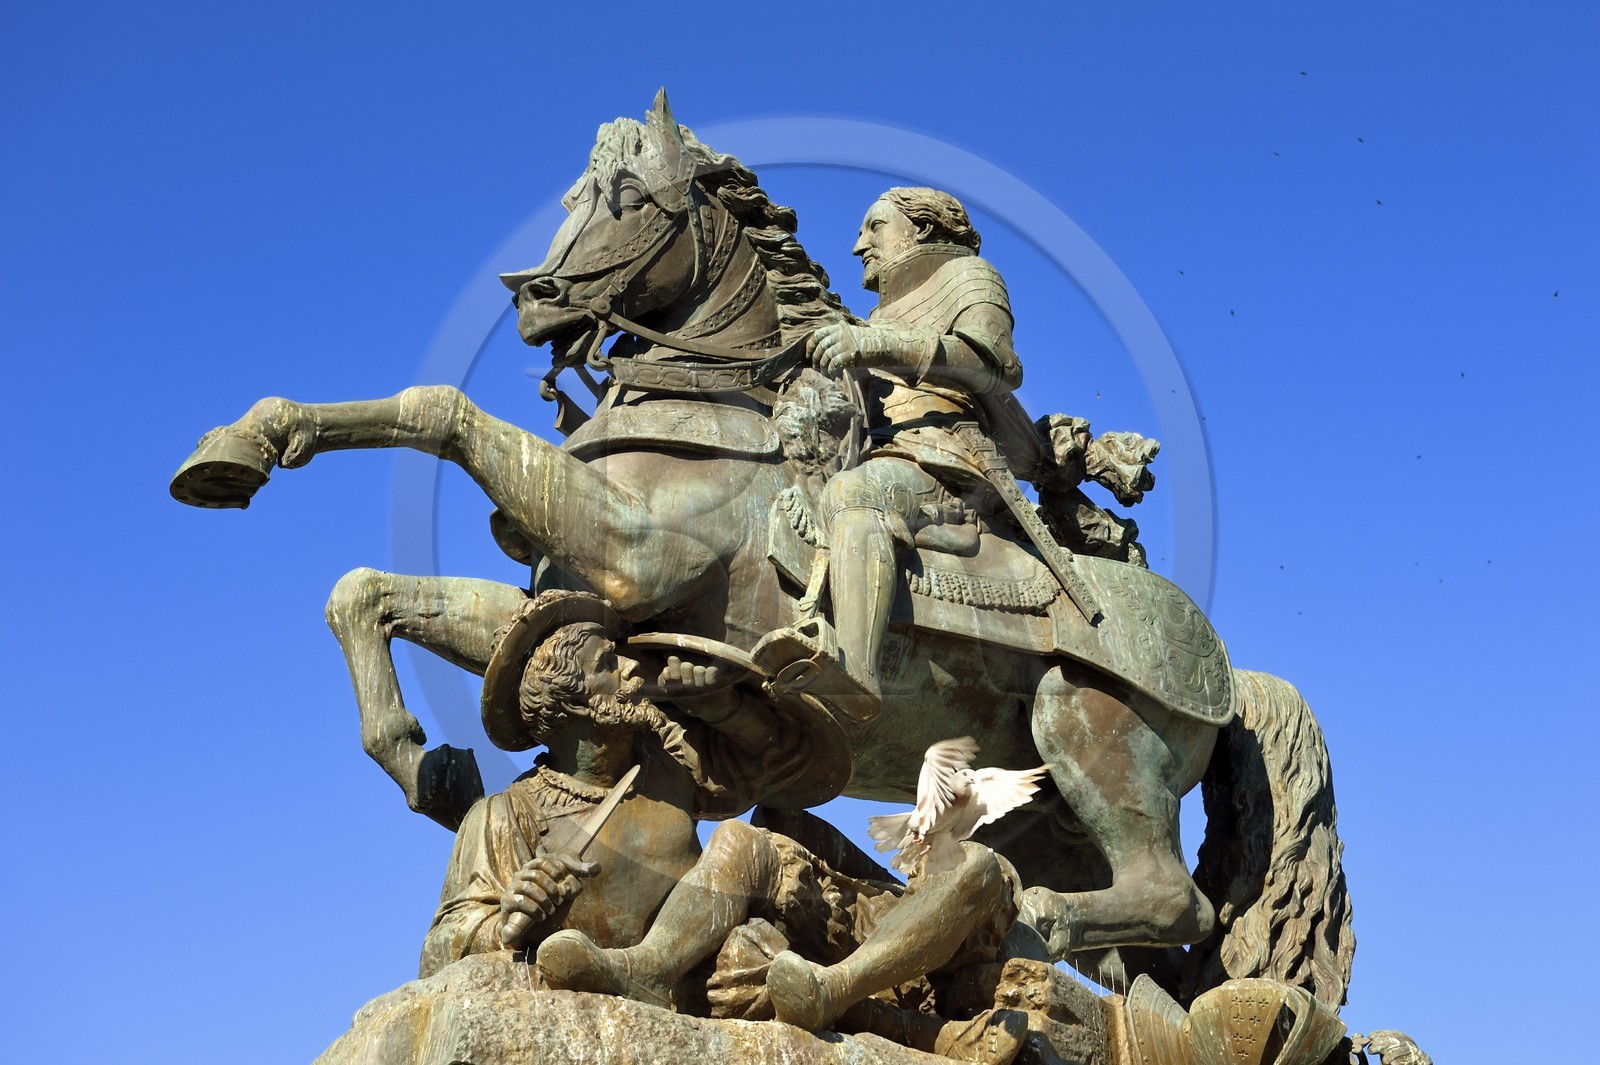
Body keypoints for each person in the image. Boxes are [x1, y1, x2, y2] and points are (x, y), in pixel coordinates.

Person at [419, 590, 797, 977]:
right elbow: (438, 952)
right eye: (608, 663)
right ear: (573, 703)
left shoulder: (665, 755)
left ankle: (646, 970)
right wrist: (505, 921)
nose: (632, 666)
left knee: (744, 843)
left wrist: (723, 708)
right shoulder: (507, 815)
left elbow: (777, 764)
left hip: (694, 972)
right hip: (580, 976)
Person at [777, 188, 1024, 715]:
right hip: (880, 451)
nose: (857, 245)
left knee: (852, 493)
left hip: (945, 457)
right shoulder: (875, 314)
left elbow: (995, 364)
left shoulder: (970, 276)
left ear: (925, 230)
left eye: (874, 227)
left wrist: (874, 346)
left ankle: (856, 675)